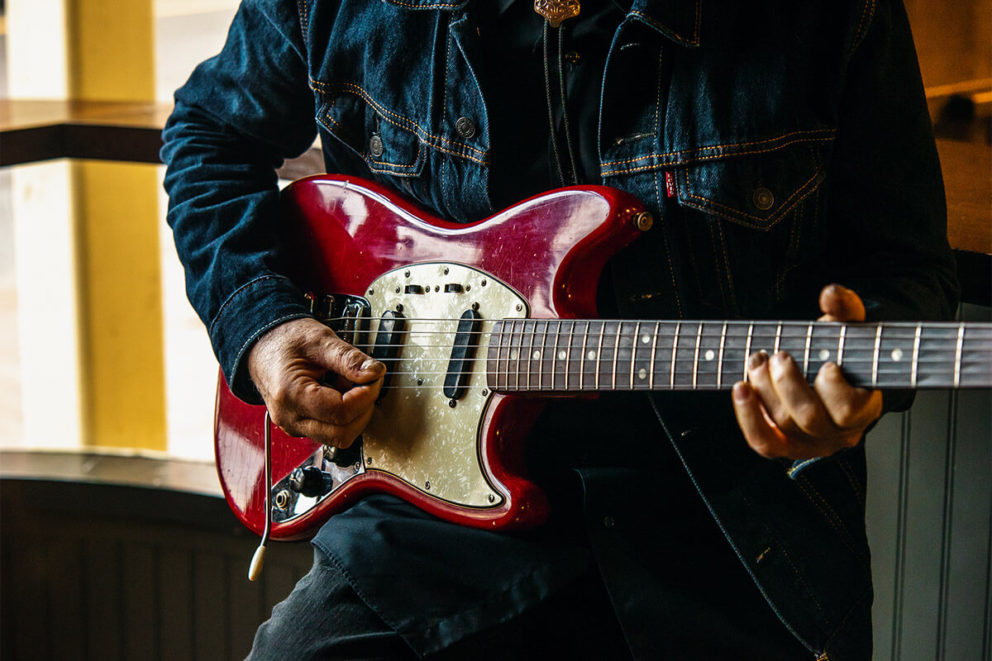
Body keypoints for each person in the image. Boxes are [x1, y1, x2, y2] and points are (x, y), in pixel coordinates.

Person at [161, 1, 958, 658]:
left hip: (727, 528)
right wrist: (262, 325)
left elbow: (904, 273)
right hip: (428, 519)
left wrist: (849, 394)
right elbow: (208, 137)